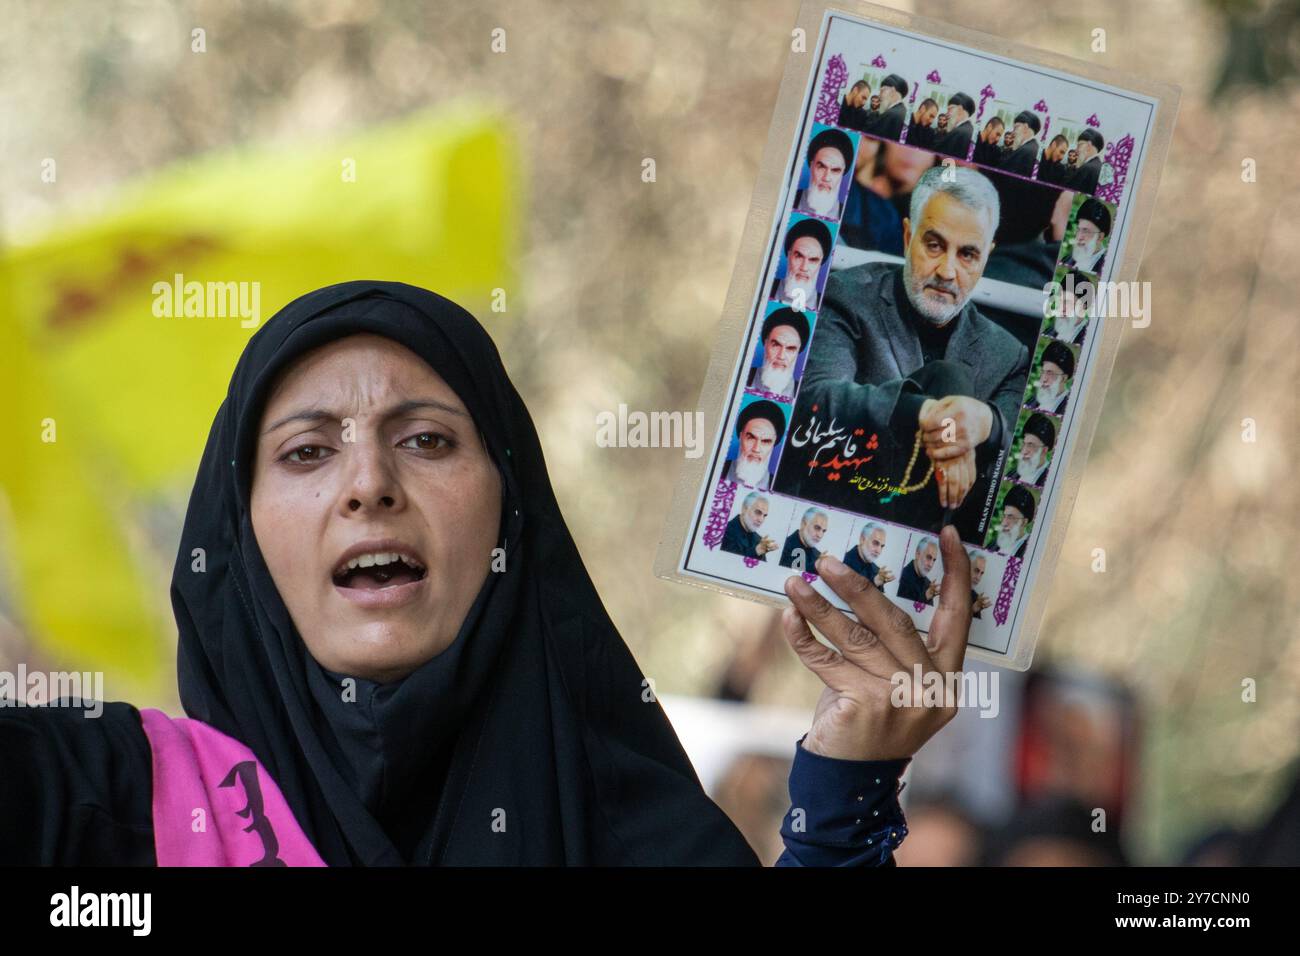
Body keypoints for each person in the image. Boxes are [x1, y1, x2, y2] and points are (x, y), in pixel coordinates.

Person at [0, 281, 978, 867]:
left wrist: (848, 787)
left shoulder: (644, 842)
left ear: (512, 506)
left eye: (426, 439)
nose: (369, 483)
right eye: (305, 453)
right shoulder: (97, 805)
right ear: (239, 536)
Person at [775, 165, 1030, 538]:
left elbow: (1023, 471)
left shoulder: (1007, 354)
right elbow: (816, 400)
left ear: (985, 259)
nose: (947, 271)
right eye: (934, 245)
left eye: (968, 255)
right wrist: (926, 414)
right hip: (840, 516)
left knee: (961, 390)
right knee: (950, 380)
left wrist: (984, 425)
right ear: (908, 235)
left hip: (936, 553)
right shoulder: (847, 295)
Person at [722, 398, 786, 490]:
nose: (756, 449)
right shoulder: (718, 469)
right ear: (740, 436)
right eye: (751, 438)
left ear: (774, 444)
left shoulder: (780, 487)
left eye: (765, 441)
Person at [769, 217, 832, 311]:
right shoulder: (765, 287)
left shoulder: (827, 307)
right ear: (789, 255)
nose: (804, 267)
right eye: (799, 256)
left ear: (821, 263)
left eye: (813, 260)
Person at [747, 307, 811, 398]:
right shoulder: (744, 375)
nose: (781, 356)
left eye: (790, 349)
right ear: (765, 343)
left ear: (798, 352)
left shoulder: (803, 393)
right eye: (776, 345)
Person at [793, 127, 854, 220]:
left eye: (835, 170)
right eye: (821, 167)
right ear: (811, 165)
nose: (826, 177)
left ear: (843, 173)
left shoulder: (848, 216)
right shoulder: (791, 198)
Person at [721, 491, 779, 560]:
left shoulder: (759, 540)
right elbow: (726, 563)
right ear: (744, 509)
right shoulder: (724, 531)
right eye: (758, 512)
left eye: (764, 516)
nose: (761, 520)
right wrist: (756, 551)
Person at [1061, 198, 1110, 274]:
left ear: (1100, 237)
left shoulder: (1106, 266)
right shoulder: (1066, 260)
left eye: (1085, 231)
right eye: (1078, 230)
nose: (1079, 237)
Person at [1025, 339, 1074, 416]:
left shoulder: (1069, 407)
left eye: (1050, 373)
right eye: (1042, 372)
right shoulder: (1031, 402)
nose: (1043, 379)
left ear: (1063, 378)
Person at [1007, 412, 1055, 487]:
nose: (1023, 451)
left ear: (1044, 450)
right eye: (1024, 444)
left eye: (1031, 445)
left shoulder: (1049, 479)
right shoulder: (1012, 474)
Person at [843, 522, 895, 591]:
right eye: (875, 543)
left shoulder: (877, 572)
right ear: (862, 539)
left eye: (882, 546)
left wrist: (877, 582)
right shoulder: (843, 561)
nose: (879, 551)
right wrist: (875, 582)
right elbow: (847, 595)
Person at [989, 483, 1036, 558]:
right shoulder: (993, 544)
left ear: (1024, 522)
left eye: (1011, 517)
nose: (1004, 523)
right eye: (1004, 516)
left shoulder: (1030, 550)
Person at [897, 536, 941, 605]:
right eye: (929, 557)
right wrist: (926, 596)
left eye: (934, 560)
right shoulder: (901, 576)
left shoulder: (929, 585)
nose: (931, 565)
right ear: (917, 554)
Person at [932, 92, 975, 160]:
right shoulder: (968, 130)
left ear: (960, 109)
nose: (947, 114)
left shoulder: (960, 132)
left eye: (950, 109)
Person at [865, 74, 909, 140]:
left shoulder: (892, 115)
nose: (879, 96)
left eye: (882, 91)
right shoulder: (900, 111)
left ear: (892, 90)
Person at [1001, 110, 1042, 177]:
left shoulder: (1026, 151)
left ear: (1025, 127)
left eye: (1016, 127)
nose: (1013, 132)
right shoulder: (1031, 148)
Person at [1067, 128, 1106, 195]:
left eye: (1079, 145)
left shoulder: (1086, 168)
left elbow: (1068, 192)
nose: (1076, 150)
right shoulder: (1101, 168)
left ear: (1088, 145)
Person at [969, 551, 991, 619]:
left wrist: (973, 610)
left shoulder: (976, 599)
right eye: (976, 570)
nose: (978, 578)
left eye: (981, 573)